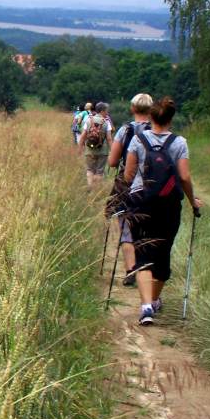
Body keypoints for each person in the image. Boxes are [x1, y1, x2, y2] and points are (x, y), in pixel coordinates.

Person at [123, 96, 202, 326]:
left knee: (143, 253)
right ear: (170, 119)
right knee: (162, 253)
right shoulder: (180, 142)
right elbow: (185, 177)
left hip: (141, 202)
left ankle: (146, 306)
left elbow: (128, 175)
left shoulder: (138, 139)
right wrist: (192, 202)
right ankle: (154, 300)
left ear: (151, 117)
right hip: (168, 206)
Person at [107, 93, 153, 286]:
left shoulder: (125, 131)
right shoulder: (156, 129)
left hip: (127, 184)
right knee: (147, 227)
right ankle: (146, 267)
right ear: (151, 110)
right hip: (152, 185)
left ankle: (131, 268)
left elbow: (112, 162)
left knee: (126, 226)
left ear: (132, 109)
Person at [78, 101, 113, 186]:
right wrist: (112, 150)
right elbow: (109, 138)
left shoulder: (89, 120)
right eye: (106, 111)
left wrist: (80, 148)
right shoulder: (106, 122)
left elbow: (83, 136)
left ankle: (90, 187)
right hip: (102, 151)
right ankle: (95, 190)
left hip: (89, 149)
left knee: (90, 170)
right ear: (102, 111)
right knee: (99, 171)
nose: (107, 113)